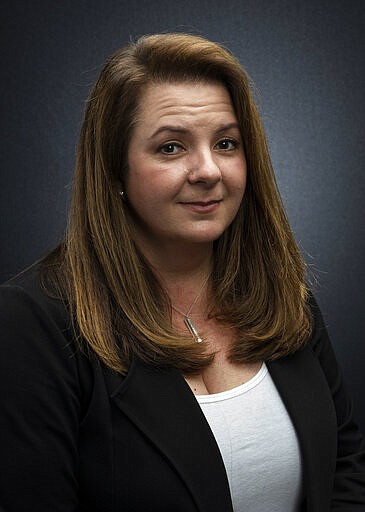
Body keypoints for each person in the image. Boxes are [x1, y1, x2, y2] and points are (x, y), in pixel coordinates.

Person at [0, 33, 364, 512]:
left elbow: (347, 468)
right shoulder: (33, 321)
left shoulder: (281, 295)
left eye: (227, 143)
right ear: (114, 170)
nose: (208, 170)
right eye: (171, 148)